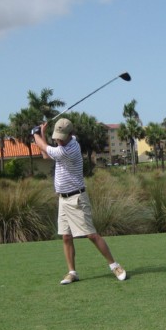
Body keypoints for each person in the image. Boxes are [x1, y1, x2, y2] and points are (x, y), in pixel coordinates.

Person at [33, 118, 127, 285]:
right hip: (63, 198)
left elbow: (43, 148)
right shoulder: (68, 143)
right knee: (66, 237)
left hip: (77, 198)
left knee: (91, 234)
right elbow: (46, 155)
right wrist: (43, 132)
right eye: (58, 136)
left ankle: (115, 266)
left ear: (71, 134)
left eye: (62, 136)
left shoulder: (68, 150)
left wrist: (35, 133)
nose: (59, 140)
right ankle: (72, 272)